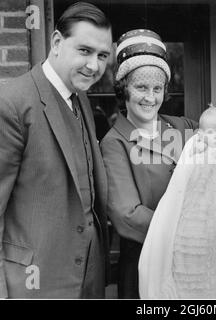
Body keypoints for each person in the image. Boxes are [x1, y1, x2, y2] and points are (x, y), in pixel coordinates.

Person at [0, 2, 113, 298]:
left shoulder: (83, 101)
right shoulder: (12, 102)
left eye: (102, 56)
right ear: (57, 42)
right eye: (85, 51)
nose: (94, 66)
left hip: (89, 280)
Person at [100, 29, 198, 299]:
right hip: (145, 262)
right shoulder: (115, 143)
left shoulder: (182, 126)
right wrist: (187, 234)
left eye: (157, 88)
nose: (150, 97)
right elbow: (127, 214)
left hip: (191, 264)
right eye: (141, 87)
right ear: (124, 89)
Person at [139, 106, 216, 299]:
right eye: (211, 132)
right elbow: (180, 183)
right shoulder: (194, 151)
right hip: (192, 214)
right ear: (201, 134)